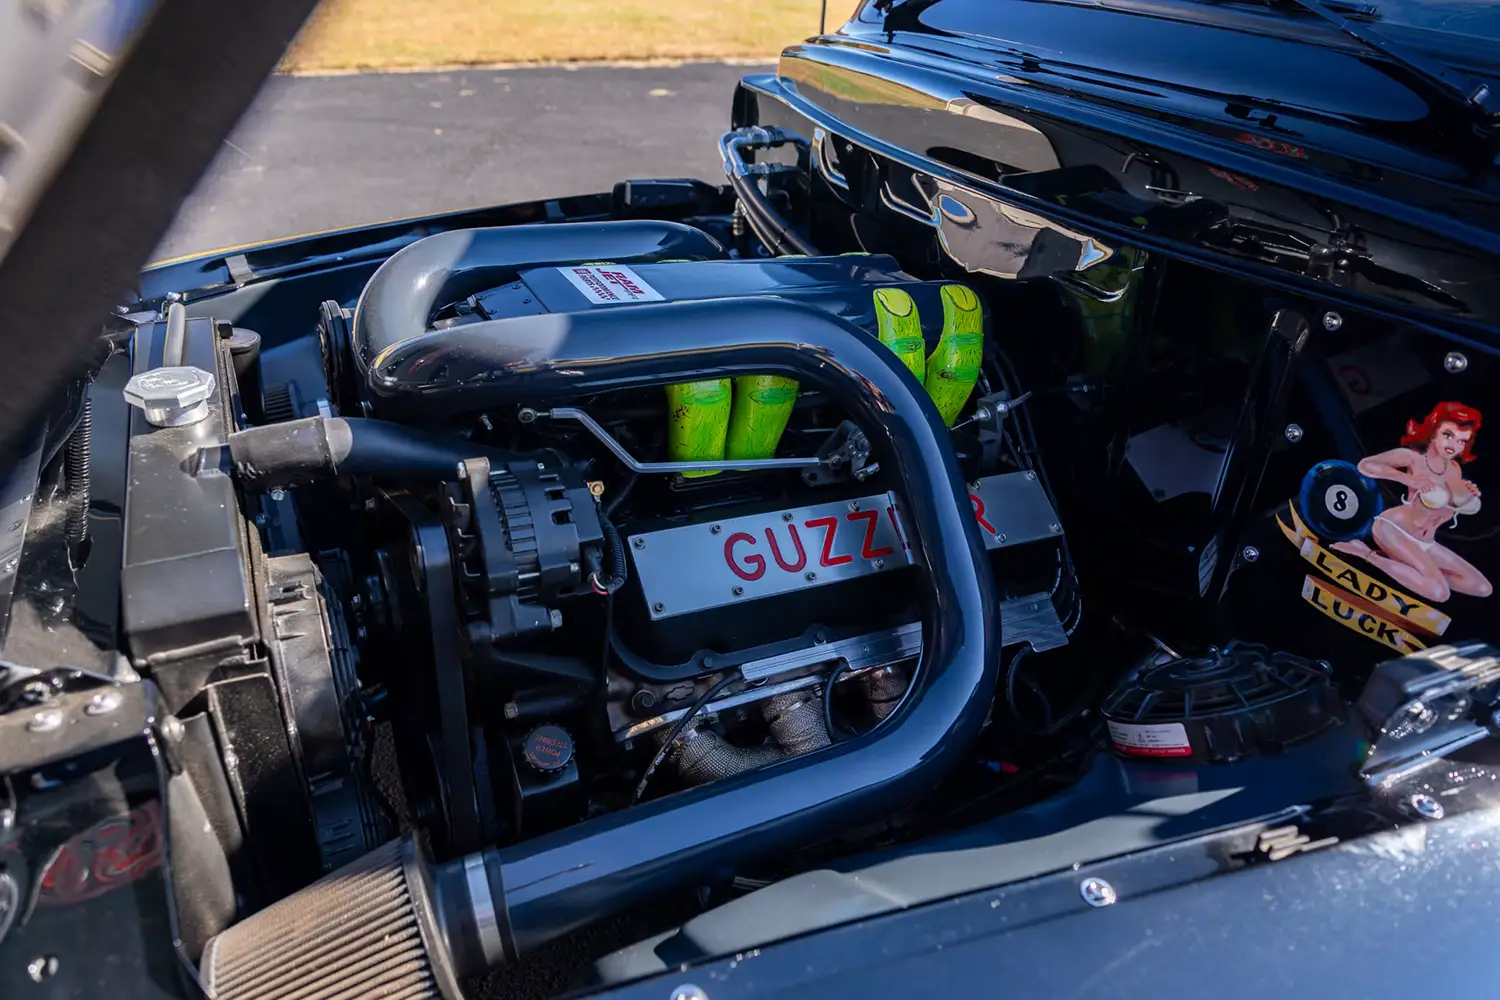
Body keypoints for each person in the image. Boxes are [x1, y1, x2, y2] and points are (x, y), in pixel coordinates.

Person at [1331, 401, 1492, 603]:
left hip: (1426, 542)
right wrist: (1408, 479)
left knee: (1482, 587)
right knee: (1439, 593)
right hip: (1394, 529)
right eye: (1448, 435)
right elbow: (1365, 465)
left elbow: (1446, 510)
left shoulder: (1454, 470)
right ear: (1434, 431)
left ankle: (1411, 569)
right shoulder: (1413, 459)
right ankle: (1367, 554)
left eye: (1461, 441)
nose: (1453, 445)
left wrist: (1466, 496)